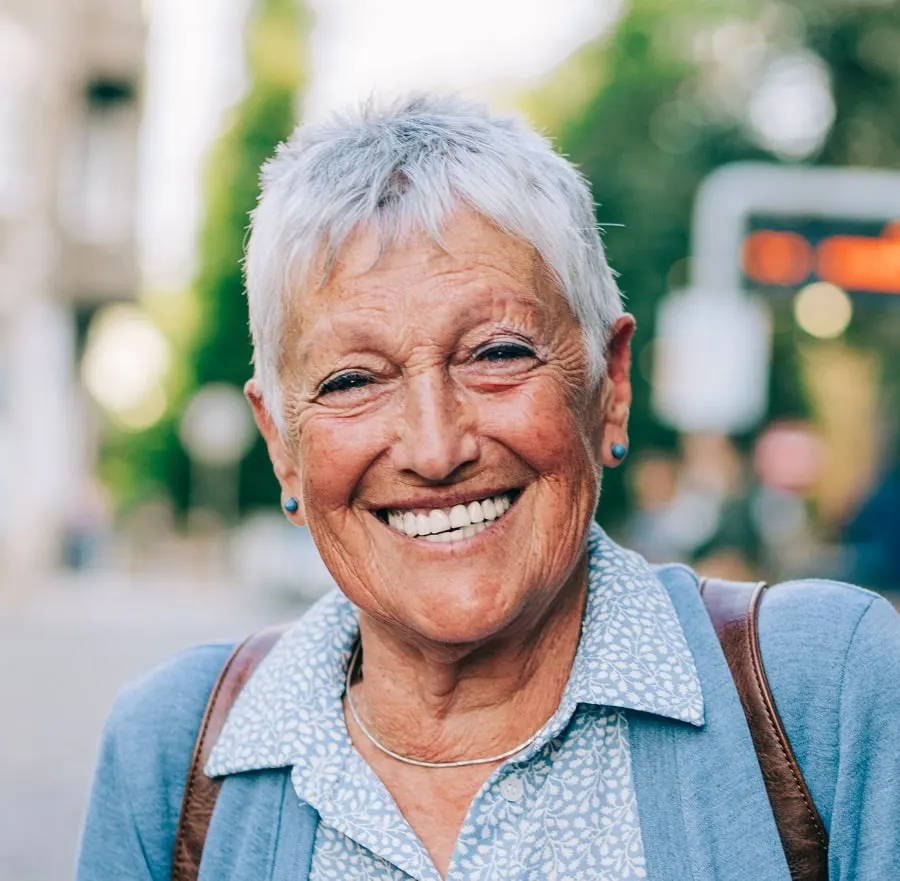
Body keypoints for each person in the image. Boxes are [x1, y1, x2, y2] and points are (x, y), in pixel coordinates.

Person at [76, 94, 900, 880]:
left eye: (497, 353)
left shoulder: (828, 689)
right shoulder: (171, 753)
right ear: (281, 447)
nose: (435, 448)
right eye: (353, 379)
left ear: (610, 386)